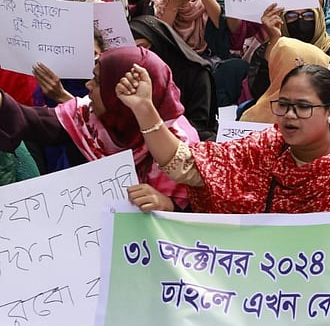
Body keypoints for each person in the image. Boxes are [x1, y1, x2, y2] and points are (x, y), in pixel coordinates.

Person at [118, 61, 330, 219]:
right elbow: (184, 165)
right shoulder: (265, 148)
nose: (289, 116)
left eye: (302, 107)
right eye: (283, 105)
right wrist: (144, 109)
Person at [0, 47, 199, 210]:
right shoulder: (88, 117)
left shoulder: (179, 146)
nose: (88, 85)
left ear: (118, 94)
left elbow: (204, 211)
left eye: (97, 82)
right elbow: (36, 121)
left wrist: (168, 206)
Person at [128, 15, 218, 141]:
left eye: (143, 47)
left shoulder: (196, 73)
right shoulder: (134, 75)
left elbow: (199, 124)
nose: (141, 55)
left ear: (159, 41)